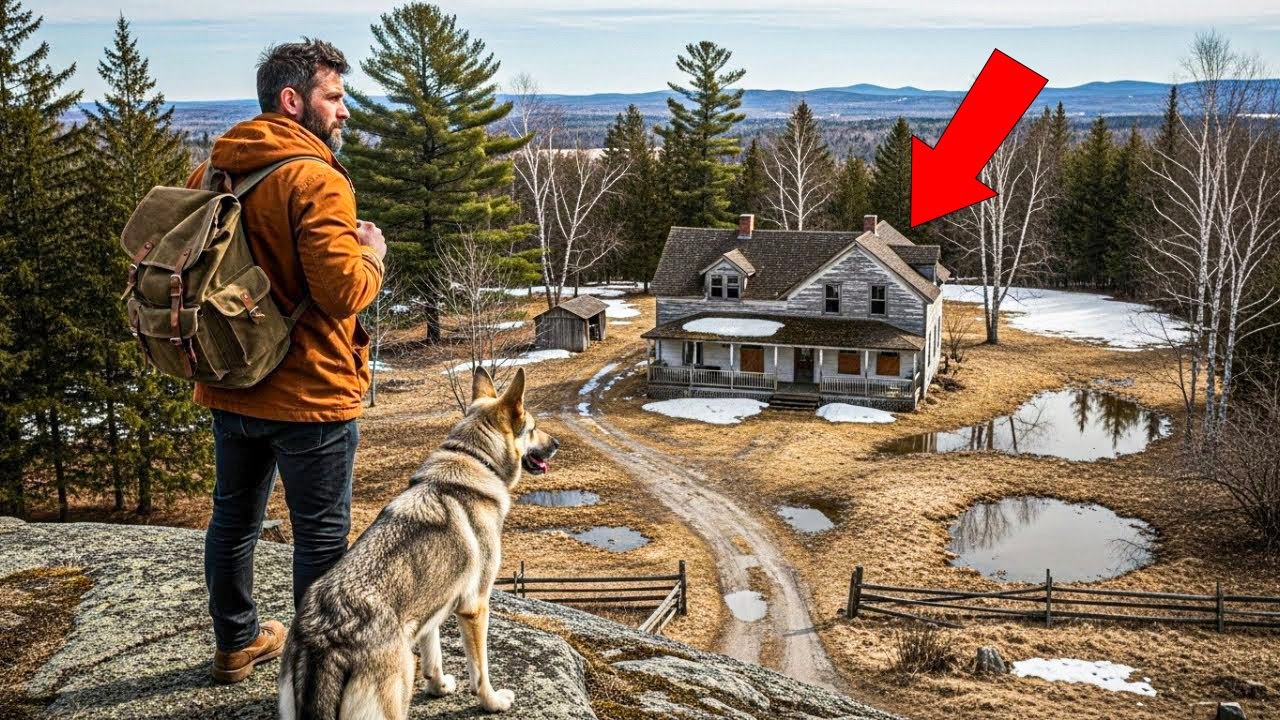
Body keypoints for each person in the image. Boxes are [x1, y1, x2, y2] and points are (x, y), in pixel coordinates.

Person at [185, 38, 386, 684]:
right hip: (311, 394)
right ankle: (317, 678)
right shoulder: (315, 177)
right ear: (293, 100)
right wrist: (374, 254)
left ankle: (235, 643)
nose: (345, 111)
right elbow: (341, 293)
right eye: (334, 97)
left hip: (232, 383)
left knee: (233, 520)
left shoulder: (214, 171)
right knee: (322, 541)